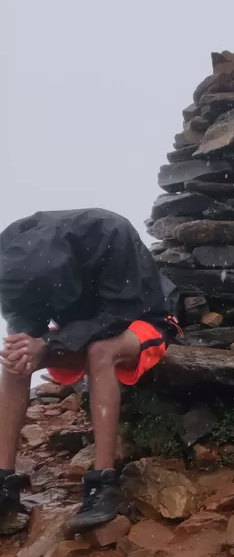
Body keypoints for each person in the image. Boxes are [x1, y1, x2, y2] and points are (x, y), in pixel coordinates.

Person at [0, 207, 179, 534]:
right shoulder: (13, 251)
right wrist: (31, 343)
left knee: (102, 350)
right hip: (77, 330)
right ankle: (3, 483)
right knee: (17, 357)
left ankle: (103, 483)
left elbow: (122, 314)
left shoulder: (110, 232)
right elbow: (24, 318)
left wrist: (52, 345)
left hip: (142, 318)